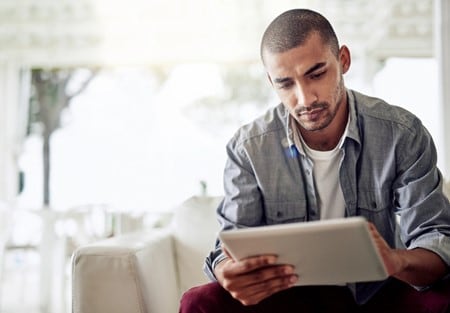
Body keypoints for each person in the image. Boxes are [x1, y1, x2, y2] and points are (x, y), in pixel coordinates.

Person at [179, 8, 450, 313]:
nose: (305, 98)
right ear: (271, 82)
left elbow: (436, 238)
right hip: (289, 298)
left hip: (379, 293)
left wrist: (395, 259)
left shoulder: (401, 134)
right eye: (285, 84)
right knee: (198, 302)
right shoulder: (248, 149)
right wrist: (226, 270)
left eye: (316, 73)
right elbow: (229, 247)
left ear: (343, 61)